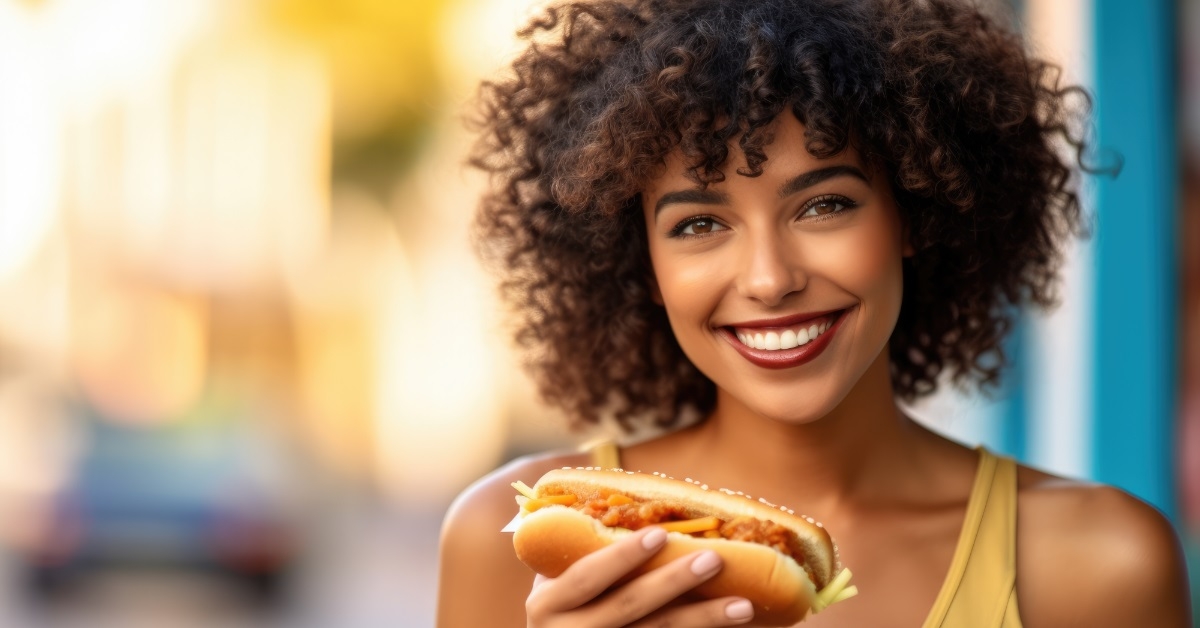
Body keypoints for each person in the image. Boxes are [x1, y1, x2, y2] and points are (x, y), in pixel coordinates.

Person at [437, 0, 1193, 625]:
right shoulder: (507, 542)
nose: (769, 280)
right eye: (698, 224)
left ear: (914, 215)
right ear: (645, 264)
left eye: (824, 205)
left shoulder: (1098, 561)